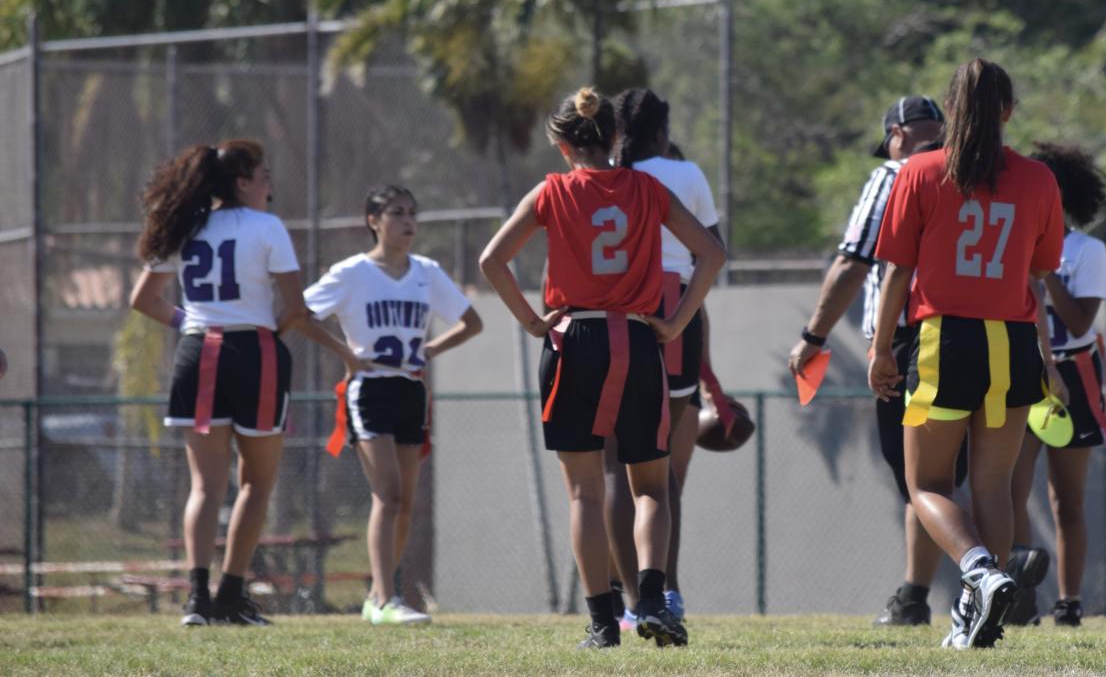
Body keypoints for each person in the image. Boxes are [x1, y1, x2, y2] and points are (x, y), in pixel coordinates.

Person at [478, 87, 725, 648]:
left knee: (585, 494)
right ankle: (655, 600)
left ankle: (601, 623)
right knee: (652, 489)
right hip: (639, 339)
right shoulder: (648, 187)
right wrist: (679, 321)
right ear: (616, 137)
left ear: (563, 146)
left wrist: (532, 322)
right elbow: (712, 253)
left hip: (575, 340)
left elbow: (491, 260)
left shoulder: (551, 192)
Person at [869, 59, 1065, 650]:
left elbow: (897, 273)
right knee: (995, 488)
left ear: (950, 110)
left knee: (926, 485)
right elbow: (1038, 269)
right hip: (1011, 341)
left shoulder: (921, 172)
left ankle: (978, 574)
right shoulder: (1039, 180)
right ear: (1007, 111)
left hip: (942, 340)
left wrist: (881, 349)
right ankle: (973, 616)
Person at [128, 139, 364, 627]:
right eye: (264, 176)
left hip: (199, 354)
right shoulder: (266, 227)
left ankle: (196, 599)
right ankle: (231, 596)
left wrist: (193, 325)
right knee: (256, 484)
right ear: (242, 182)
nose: (269, 185)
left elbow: (144, 300)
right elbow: (294, 308)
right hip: (254, 354)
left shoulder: (184, 224)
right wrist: (260, 334)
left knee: (204, 486)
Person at [787, 94, 958, 626]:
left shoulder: (894, 175)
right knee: (975, 474)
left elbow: (852, 262)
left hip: (913, 341)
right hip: (989, 334)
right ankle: (940, 585)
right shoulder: (973, 173)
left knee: (920, 479)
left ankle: (965, 578)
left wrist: (813, 335)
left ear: (896, 135)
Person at [302, 185, 484, 625]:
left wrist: (431, 351)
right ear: (373, 220)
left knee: (405, 501)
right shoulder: (352, 273)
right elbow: (296, 315)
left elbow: (471, 322)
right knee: (387, 493)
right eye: (397, 213)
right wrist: (346, 354)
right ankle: (386, 600)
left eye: (412, 214)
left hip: (410, 390)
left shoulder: (426, 271)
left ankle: (376, 595)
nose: (407, 222)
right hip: (370, 388)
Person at [601, 90, 722, 627]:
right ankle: (665, 593)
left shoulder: (603, 177)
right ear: (659, 129)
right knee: (660, 468)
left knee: (612, 467)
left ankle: (630, 601)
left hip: (607, 313)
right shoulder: (684, 174)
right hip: (671, 308)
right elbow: (711, 252)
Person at [1008, 143, 1106, 627]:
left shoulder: (1088, 251)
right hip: (1021, 368)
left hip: (1072, 373)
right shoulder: (1010, 239)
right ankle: (1018, 597)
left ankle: (1069, 601)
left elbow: (1078, 324)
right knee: (1011, 487)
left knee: (1065, 498)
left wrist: (1046, 275)